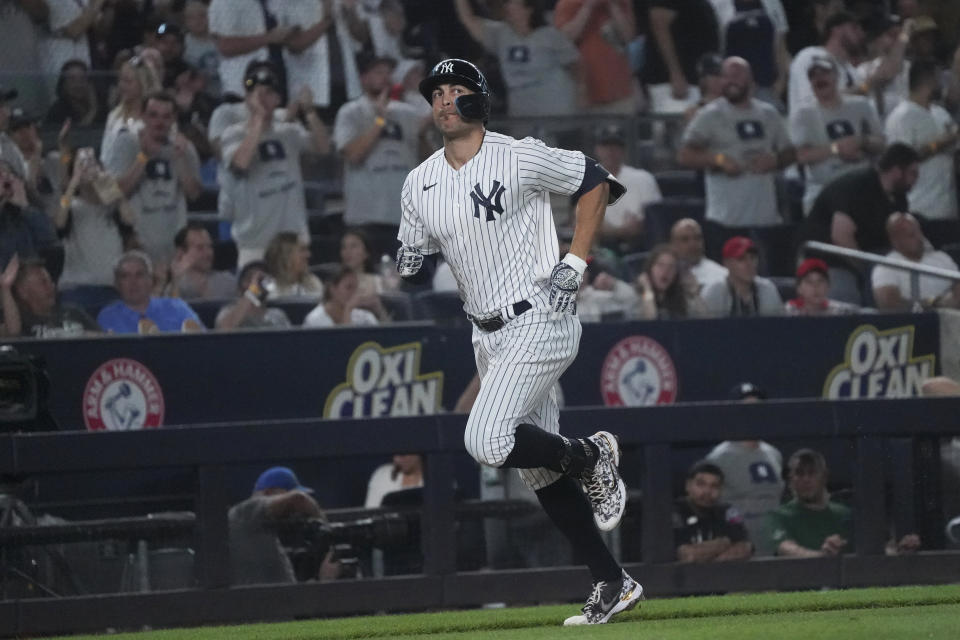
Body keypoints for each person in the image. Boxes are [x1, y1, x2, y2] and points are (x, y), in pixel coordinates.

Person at [396, 58, 640, 626]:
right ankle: (612, 581)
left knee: (484, 438)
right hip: (485, 335)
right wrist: (409, 260)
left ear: (480, 99)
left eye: (458, 90)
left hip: (540, 314)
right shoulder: (419, 181)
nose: (445, 100)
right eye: (437, 92)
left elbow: (596, 181)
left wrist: (574, 261)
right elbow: (413, 252)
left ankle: (589, 454)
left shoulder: (518, 153)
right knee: (538, 471)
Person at [220, 61, 329, 268]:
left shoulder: (289, 132)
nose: (261, 97)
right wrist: (259, 119)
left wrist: (310, 112)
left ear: (278, 98)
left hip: (293, 239)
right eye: (255, 92)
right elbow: (240, 165)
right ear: (247, 97)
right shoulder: (233, 134)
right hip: (254, 243)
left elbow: (323, 148)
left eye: (268, 92)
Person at [678, 57, 795, 229]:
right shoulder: (709, 115)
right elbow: (684, 156)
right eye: (726, 76)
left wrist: (776, 160)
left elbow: (791, 153)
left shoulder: (769, 113)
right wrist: (719, 160)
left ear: (751, 79)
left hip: (766, 218)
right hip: (725, 219)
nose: (731, 81)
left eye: (737, 75)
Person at [332, 54, 430, 258]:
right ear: (363, 78)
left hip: (403, 219)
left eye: (388, 73)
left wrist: (422, 134)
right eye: (378, 72)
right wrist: (379, 122)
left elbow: (428, 161)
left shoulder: (408, 113)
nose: (385, 77)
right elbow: (354, 155)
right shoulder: (350, 112)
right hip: (365, 218)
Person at [800, 143, 919, 304]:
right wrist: (868, 270)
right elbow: (841, 238)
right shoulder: (856, 188)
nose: (916, 179)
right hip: (832, 259)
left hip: (871, 256)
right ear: (897, 172)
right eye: (913, 173)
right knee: (846, 296)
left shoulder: (898, 197)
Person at [103, 91, 202, 267]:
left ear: (174, 119)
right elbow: (112, 194)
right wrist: (144, 157)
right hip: (136, 247)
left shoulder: (184, 148)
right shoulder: (126, 142)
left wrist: (179, 158)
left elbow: (193, 194)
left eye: (166, 117)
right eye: (153, 115)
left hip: (174, 248)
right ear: (143, 116)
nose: (159, 122)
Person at [789, 57, 885, 214]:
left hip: (862, 189)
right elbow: (800, 156)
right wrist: (837, 149)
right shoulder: (803, 114)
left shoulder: (861, 105)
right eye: (813, 75)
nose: (819, 78)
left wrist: (862, 141)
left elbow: (882, 144)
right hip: (824, 192)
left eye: (824, 72)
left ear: (836, 76)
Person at [455, 0, 580, 118]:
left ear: (528, 9)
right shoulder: (500, 34)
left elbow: (576, 66)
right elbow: (468, 20)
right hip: (521, 113)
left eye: (513, 2)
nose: (508, 7)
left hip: (555, 111)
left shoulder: (550, 35)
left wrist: (581, 95)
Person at [706, 383, 784, 555]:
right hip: (738, 553)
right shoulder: (718, 458)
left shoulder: (774, 454)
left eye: (758, 409)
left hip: (774, 551)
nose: (753, 415)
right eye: (746, 409)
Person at [229, 466, 338, 585]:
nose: (295, 514)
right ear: (269, 492)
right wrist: (330, 533)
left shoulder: (263, 529)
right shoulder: (246, 512)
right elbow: (299, 499)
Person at [55, 147, 135, 309]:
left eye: (93, 163)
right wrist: (75, 180)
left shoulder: (114, 206)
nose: (88, 168)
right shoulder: (71, 206)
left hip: (111, 288)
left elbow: (130, 220)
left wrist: (111, 188)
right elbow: (59, 222)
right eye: (83, 164)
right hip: (76, 288)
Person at [272, 0, 369, 123]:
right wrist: (327, 20)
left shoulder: (343, 3)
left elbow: (362, 37)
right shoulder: (292, 4)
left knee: (349, 137)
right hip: (311, 93)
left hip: (348, 88)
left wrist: (351, 12)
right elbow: (295, 45)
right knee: (311, 139)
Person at [885, 59, 958, 221]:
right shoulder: (902, 116)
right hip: (919, 206)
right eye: (939, 79)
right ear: (929, 80)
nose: (942, 84)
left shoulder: (940, 112)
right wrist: (939, 143)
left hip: (948, 205)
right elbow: (901, 161)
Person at [553, 0, 635, 114]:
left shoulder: (622, 2)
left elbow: (629, 37)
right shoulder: (567, 3)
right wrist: (588, 7)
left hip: (620, 93)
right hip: (583, 93)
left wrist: (613, 7)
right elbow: (564, 40)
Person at [768, 448, 852, 557]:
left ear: (824, 476)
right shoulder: (779, 516)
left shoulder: (845, 514)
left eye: (812, 472)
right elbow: (786, 548)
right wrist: (822, 556)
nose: (806, 479)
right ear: (790, 479)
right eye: (799, 473)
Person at [97, 250, 204, 334]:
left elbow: (201, 341)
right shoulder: (108, 316)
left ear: (151, 280)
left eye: (139, 275)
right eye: (125, 276)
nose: (133, 282)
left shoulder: (177, 307)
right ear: (117, 284)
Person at [641, 0, 720, 114]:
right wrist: (675, 73)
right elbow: (659, 24)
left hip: (695, 82)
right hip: (674, 84)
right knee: (677, 128)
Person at [592, 125, 662, 254]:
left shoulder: (643, 178)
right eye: (606, 145)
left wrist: (640, 224)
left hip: (642, 246)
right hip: (603, 249)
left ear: (624, 150)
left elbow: (656, 217)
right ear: (597, 149)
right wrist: (619, 231)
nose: (611, 151)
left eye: (616, 146)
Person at [207, 0, 297, 98]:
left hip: (276, 81)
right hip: (242, 88)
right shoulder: (225, 2)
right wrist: (269, 38)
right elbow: (225, 46)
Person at [871, 213, 960, 311]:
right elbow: (889, 306)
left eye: (919, 232)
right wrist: (932, 303)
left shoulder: (942, 258)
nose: (918, 237)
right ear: (895, 240)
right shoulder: (886, 267)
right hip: (914, 323)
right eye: (911, 235)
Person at [673, 460, 753, 563]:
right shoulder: (675, 511)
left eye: (714, 486)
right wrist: (725, 542)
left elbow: (746, 548)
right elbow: (688, 555)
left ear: (721, 490)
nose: (707, 491)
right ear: (688, 485)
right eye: (701, 484)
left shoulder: (727, 511)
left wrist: (709, 558)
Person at [788, 11, 866, 113]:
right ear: (836, 30)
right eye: (854, 28)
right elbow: (811, 101)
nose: (860, 33)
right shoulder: (810, 56)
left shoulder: (850, 70)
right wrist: (862, 89)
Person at [4, 257, 99, 338]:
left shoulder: (73, 312)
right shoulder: (20, 321)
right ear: (23, 292)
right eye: (43, 282)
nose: (52, 286)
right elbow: (13, 332)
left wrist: (82, 335)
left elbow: (104, 339)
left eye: (51, 281)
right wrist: (5, 287)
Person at [101, 55, 162, 163]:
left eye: (127, 81)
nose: (121, 85)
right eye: (120, 80)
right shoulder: (114, 115)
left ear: (144, 85)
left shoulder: (159, 118)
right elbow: (105, 157)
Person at [702, 236, 783, 316]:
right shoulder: (714, 292)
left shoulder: (768, 289)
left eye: (753, 258)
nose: (749, 264)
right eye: (741, 259)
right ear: (727, 263)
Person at [0, 158, 57, 270]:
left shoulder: (24, 214)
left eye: (8, 174)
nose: (5, 177)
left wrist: (24, 204)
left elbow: (48, 241)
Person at [37, 0, 101, 91]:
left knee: (86, 94)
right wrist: (98, 3)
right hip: (58, 55)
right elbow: (74, 30)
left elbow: (94, 22)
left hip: (83, 53)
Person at [633, 244, 706, 320]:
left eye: (671, 266)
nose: (666, 271)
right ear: (650, 268)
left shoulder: (682, 296)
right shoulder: (637, 295)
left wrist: (695, 294)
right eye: (660, 265)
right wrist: (647, 290)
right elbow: (650, 320)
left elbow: (705, 321)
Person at [214, 260, 292, 330]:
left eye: (261, 279)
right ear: (239, 287)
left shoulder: (277, 315)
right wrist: (252, 291)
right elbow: (224, 330)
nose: (256, 283)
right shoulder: (227, 312)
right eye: (249, 278)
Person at [168, 223, 236, 301]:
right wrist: (176, 282)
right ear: (181, 252)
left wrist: (205, 291)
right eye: (200, 248)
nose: (208, 253)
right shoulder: (174, 285)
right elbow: (171, 309)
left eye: (209, 246)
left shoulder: (228, 282)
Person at [303, 266, 378, 328]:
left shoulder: (365, 318)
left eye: (356, 288)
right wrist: (347, 310)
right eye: (349, 287)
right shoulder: (314, 320)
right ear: (332, 289)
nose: (354, 292)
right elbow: (344, 343)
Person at [785, 257, 860, 315]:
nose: (815, 286)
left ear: (828, 286)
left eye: (820, 281)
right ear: (799, 288)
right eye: (809, 282)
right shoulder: (788, 311)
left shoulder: (838, 311)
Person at [669, 218, 727, 290]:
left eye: (697, 238)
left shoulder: (721, 276)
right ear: (673, 244)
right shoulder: (663, 274)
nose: (693, 244)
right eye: (685, 239)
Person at [263, 232, 324, 300]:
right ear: (286, 256)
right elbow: (251, 301)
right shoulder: (266, 285)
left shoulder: (313, 283)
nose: (308, 255)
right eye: (302, 250)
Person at [43, 60, 104, 128]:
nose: (78, 85)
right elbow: (78, 135)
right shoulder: (58, 111)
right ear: (64, 85)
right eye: (72, 80)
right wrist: (93, 110)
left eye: (82, 79)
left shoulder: (101, 107)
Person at [183, 0, 221, 97]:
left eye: (202, 16)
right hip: (197, 96)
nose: (198, 21)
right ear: (186, 21)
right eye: (192, 18)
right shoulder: (182, 44)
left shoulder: (223, 38)